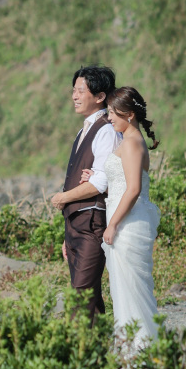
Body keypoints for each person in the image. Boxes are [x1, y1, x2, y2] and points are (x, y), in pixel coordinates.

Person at [81, 85, 161, 355]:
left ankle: (140, 362)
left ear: (128, 115)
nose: (109, 118)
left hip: (126, 225)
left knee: (132, 294)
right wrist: (93, 177)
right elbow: (119, 180)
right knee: (125, 293)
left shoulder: (132, 142)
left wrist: (112, 224)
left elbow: (134, 188)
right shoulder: (130, 141)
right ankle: (134, 358)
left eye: (113, 113)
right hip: (126, 221)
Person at [50, 65, 119, 323]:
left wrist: (63, 198)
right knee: (89, 295)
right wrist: (67, 234)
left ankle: (77, 352)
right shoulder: (85, 129)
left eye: (81, 90)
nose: (74, 96)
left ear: (100, 96)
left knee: (81, 296)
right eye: (73, 91)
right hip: (76, 225)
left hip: (92, 224)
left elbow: (100, 182)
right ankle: (97, 347)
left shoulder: (106, 130)